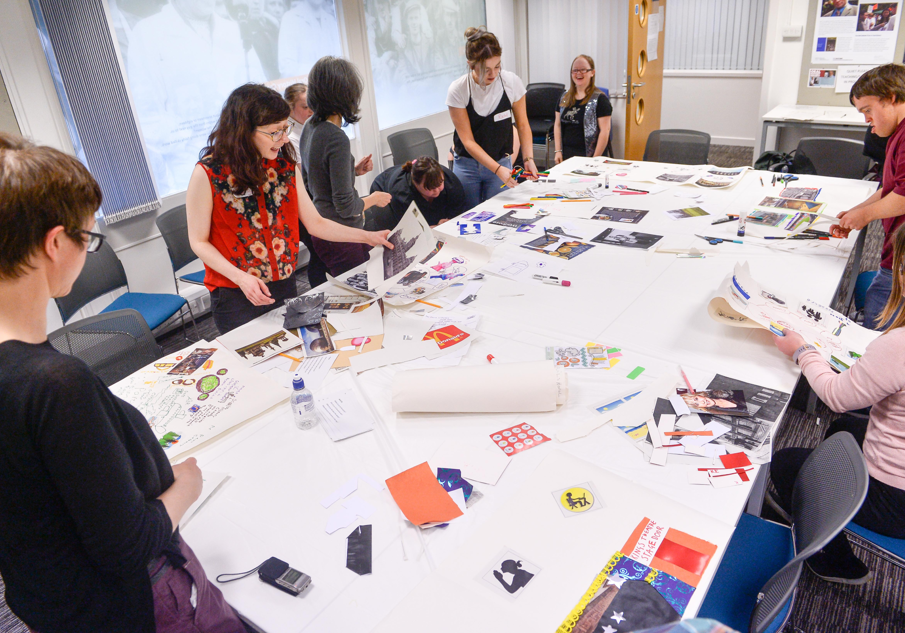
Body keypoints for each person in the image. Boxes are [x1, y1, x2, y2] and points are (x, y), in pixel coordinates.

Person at [0, 132, 245, 632]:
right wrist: (185, 486)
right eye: (87, 238)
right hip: (121, 609)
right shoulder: (55, 384)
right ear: (54, 242)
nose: (88, 253)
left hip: (47, 599)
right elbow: (127, 544)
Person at [186, 83, 391, 335]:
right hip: (236, 292)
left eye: (286, 128)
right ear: (243, 131)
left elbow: (316, 223)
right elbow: (198, 241)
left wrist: (367, 236)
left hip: (283, 282)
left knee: (292, 349)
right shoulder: (208, 173)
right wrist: (241, 278)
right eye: (275, 132)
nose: (283, 139)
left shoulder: (283, 165)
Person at [769, 222, 905, 585]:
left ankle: (833, 559)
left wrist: (802, 351)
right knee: (845, 428)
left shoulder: (899, 346)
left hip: (896, 503)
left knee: (785, 463)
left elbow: (836, 396)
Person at [127, 0, 266, 197]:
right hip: (184, 164)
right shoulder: (148, 33)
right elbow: (146, 113)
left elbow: (259, 92)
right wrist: (185, 137)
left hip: (241, 156)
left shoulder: (232, 30)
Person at [298, 56, 392, 284]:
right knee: (362, 294)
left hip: (324, 230)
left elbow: (316, 179)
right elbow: (346, 205)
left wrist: (352, 170)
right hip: (341, 234)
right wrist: (374, 198)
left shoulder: (310, 127)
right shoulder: (336, 137)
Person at [833, 64, 905, 330]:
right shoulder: (898, 134)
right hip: (894, 248)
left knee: (880, 313)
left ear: (891, 98)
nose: (866, 120)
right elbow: (890, 188)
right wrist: (858, 209)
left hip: (900, 260)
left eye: (867, 110)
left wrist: (864, 215)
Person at [446, 27, 537, 211]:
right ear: (470, 64)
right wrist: (497, 170)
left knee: (499, 217)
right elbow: (468, 142)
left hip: (501, 161)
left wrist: (528, 158)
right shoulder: (459, 90)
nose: (493, 74)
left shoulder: (511, 82)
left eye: (497, 66)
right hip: (467, 166)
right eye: (485, 69)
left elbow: (523, 124)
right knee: (467, 217)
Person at [366, 156, 466, 230]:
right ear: (416, 184)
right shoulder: (402, 194)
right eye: (430, 188)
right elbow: (408, 227)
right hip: (383, 190)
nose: (436, 190)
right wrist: (430, 226)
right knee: (393, 232)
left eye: (440, 183)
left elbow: (458, 210)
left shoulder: (450, 180)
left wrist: (447, 221)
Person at [553, 54, 613, 163]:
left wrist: (595, 160)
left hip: (590, 157)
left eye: (583, 70)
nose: (578, 73)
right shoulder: (563, 97)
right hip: (567, 156)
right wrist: (558, 151)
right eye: (575, 70)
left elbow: (605, 131)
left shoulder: (600, 100)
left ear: (592, 73)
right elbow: (557, 125)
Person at [284, 82, 312, 151]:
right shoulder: (289, 138)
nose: (312, 110)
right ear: (290, 108)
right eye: (306, 107)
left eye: (313, 104)